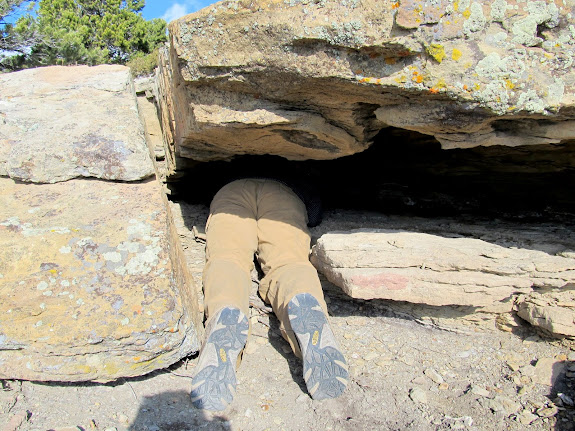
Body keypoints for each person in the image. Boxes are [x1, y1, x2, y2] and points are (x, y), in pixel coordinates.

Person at [190, 167, 349, 411]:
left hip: (231, 191)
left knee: (226, 259)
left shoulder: (225, 167)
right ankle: (302, 301)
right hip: (284, 193)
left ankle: (226, 311)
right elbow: (315, 211)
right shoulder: (298, 174)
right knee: (289, 262)